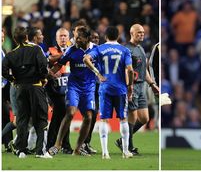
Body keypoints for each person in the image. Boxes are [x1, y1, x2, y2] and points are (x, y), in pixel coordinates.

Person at [83, 26, 134, 159]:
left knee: (104, 120)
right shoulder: (125, 50)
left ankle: (105, 153)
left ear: (105, 36)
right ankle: (125, 151)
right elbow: (129, 69)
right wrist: (130, 86)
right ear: (118, 36)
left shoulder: (99, 49)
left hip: (105, 87)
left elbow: (86, 59)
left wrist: (97, 74)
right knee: (123, 119)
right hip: (121, 88)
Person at [2, 26, 51, 158]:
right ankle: (40, 151)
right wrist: (43, 78)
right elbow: (43, 66)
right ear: (27, 37)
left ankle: (21, 150)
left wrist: (13, 80)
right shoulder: (35, 49)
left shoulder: (11, 54)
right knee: (41, 118)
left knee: (22, 120)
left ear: (15, 39)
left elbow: (3, 70)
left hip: (21, 88)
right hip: (36, 87)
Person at [48, 26, 96, 156]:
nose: (76, 39)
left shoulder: (96, 50)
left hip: (89, 88)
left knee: (89, 117)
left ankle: (77, 149)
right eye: (75, 37)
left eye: (79, 37)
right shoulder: (72, 50)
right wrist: (49, 74)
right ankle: (57, 145)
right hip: (74, 86)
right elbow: (59, 64)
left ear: (86, 38)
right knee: (70, 112)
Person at [115, 24, 159, 155]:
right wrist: (129, 87)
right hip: (131, 86)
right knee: (132, 116)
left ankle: (122, 140)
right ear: (131, 33)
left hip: (141, 87)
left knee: (145, 118)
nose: (141, 34)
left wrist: (152, 84)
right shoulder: (126, 50)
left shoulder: (140, 48)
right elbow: (124, 70)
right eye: (139, 32)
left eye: (143, 33)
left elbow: (144, 69)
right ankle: (128, 146)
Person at [45, 28, 73, 154]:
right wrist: (50, 73)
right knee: (59, 115)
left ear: (68, 38)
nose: (63, 38)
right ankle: (54, 144)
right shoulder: (51, 50)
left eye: (65, 36)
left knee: (65, 116)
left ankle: (62, 145)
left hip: (68, 89)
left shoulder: (73, 50)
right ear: (56, 38)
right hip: (55, 90)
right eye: (60, 36)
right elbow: (46, 63)